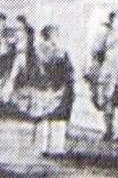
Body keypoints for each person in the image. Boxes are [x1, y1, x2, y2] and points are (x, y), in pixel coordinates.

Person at [33, 26, 74, 157]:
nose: (57, 37)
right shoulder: (42, 50)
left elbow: (68, 67)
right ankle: (48, 147)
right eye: (55, 34)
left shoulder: (58, 50)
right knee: (49, 116)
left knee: (57, 117)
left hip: (57, 86)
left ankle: (55, 147)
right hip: (49, 86)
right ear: (49, 35)